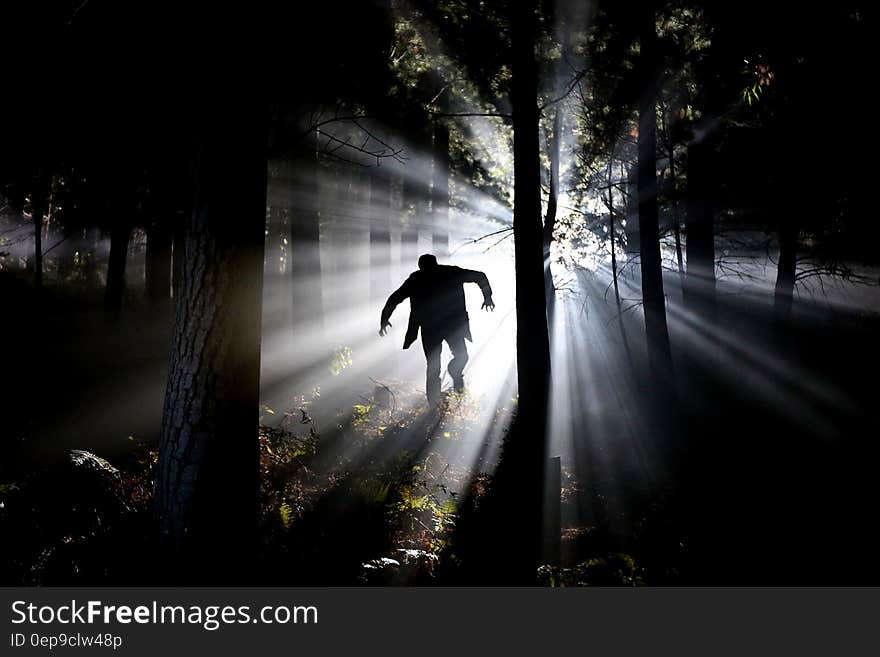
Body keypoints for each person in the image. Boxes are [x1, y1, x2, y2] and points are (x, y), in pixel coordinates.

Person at [380, 254, 494, 404]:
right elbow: (480, 276)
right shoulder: (444, 274)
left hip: (440, 326)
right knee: (446, 361)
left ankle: (438, 398)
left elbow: (395, 298)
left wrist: (384, 319)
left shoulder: (422, 278)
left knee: (444, 362)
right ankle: (438, 400)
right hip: (444, 326)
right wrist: (487, 296)